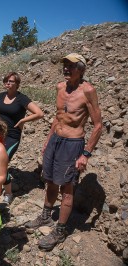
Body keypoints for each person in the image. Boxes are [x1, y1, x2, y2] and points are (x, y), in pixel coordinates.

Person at [25, 53, 103, 251]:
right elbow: (58, 117)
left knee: (67, 188)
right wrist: (48, 140)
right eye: (65, 65)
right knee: (49, 181)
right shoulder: (60, 87)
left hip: (73, 143)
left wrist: (85, 154)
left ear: (81, 69)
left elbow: (98, 126)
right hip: (55, 141)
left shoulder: (88, 91)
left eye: (71, 66)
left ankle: (60, 230)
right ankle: (45, 216)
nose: (66, 68)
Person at [0, 72, 44, 204]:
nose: (8, 83)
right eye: (6, 80)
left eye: (11, 81)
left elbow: (39, 113)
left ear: (17, 84)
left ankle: (8, 193)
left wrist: (23, 120)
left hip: (12, 136)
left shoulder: (21, 98)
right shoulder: (1, 96)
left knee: (1, 163)